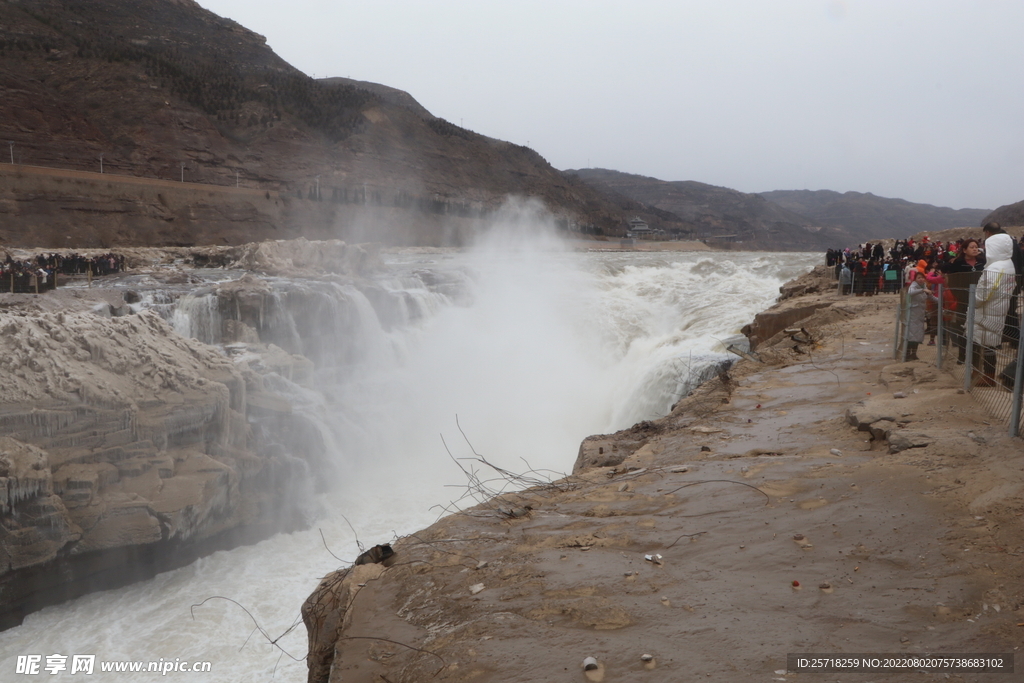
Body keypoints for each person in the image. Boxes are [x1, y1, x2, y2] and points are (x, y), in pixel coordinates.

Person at [972, 232, 1016, 386]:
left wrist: (974, 301)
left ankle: (988, 376)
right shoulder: (1008, 264)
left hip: (988, 310)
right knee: (987, 342)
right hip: (998, 307)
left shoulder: (996, 268)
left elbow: (985, 293)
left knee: (987, 343)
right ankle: (984, 373)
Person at [905, 271, 938, 361]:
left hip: (920, 314)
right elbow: (910, 292)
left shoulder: (924, 286)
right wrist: (923, 290)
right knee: (911, 334)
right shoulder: (913, 286)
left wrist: (940, 301)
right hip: (912, 314)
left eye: (922, 277)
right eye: (918, 278)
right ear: (915, 279)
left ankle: (914, 354)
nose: (921, 279)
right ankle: (907, 355)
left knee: (918, 334)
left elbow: (930, 297)